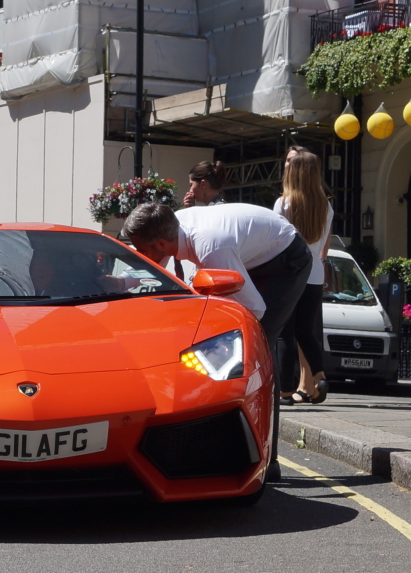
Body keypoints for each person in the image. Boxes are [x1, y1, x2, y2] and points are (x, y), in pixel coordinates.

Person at [123, 201, 311, 481]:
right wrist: (122, 282)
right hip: (250, 252)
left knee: (260, 347)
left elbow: (255, 309)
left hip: (286, 260)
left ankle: (268, 460)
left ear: (161, 243)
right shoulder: (173, 228)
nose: (140, 254)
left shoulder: (211, 248)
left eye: (142, 248)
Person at [273, 146, 333, 406]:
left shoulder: (284, 203)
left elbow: (276, 242)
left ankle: (285, 391)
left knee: (285, 333)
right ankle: (319, 377)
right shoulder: (325, 205)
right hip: (315, 273)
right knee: (306, 332)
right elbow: (322, 243)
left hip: (289, 273)